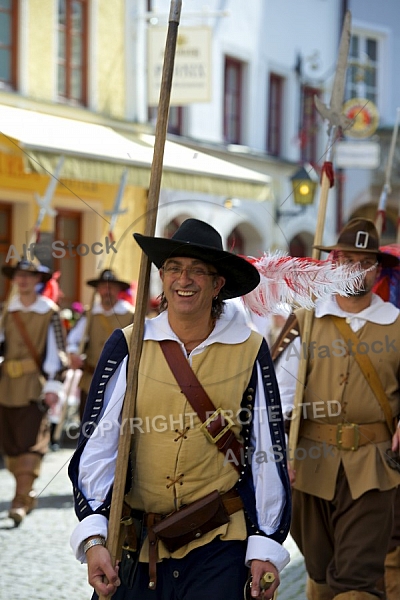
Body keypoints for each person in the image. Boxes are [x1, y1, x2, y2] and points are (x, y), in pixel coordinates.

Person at [68, 218, 291, 600]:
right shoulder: (129, 344)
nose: (183, 280)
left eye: (197, 271)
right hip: (138, 543)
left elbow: (265, 451)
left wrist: (265, 543)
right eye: (173, 268)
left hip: (220, 540)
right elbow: (100, 445)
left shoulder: (250, 349)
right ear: (161, 277)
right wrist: (93, 536)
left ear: (218, 284)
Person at [273, 218, 400, 600]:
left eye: (365, 262)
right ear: (334, 264)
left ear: (377, 269)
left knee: (355, 576)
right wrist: (279, 454)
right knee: (320, 570)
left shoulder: (396, 324)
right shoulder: (306, 321)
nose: (356, 270)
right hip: (310, 465)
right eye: (348, 260)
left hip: (374, 468)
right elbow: (278, 397)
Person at [0, 258, 68, 525]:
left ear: (39, 280)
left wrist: (53, 386)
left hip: (33, 386)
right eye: (19, 275)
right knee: (12, 445)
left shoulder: (49, 311)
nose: (23, 280)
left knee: (30, 443)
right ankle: (26, 493)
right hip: (6, 386)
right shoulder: (7, 310)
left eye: (29, 276)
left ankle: (18, 501)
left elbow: (57, 351)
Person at [66, 268, 135, 420]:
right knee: (88, 426)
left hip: (119, 381)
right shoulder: (89, 314)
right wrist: (73, 354)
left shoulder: (131, 316)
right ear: (98, 290)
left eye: (111, 287)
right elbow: (73, 340)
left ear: (118, 290)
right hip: (90, 380)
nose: (106, 291)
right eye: (103, 287)